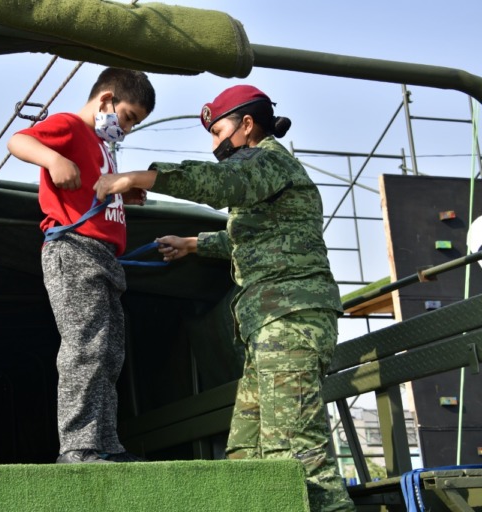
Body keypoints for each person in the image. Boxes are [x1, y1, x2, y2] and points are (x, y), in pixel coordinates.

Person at [93, 84, 356, 511]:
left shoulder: (267, 161)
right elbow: (252, 237)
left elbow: (217, 183)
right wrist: (192, 244)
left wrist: (137, 178)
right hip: (270, 325)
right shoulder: (265, 178)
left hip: (290, 319)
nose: (215, 144)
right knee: (246, 456)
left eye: (218, 132)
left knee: (297, 457)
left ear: (247, 125)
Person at [7, 67, 155, 464]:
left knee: (109, 352)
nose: (127, 128)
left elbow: (92, 189)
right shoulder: (71, 125)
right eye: (128, 117)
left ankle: (105, 443)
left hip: (105, 257)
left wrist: (123, 196)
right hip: (74, 249)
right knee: (85, 347)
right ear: (106, 99)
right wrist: (54, 159)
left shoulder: (103, 146)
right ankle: (77, 446)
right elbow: (18, 141)